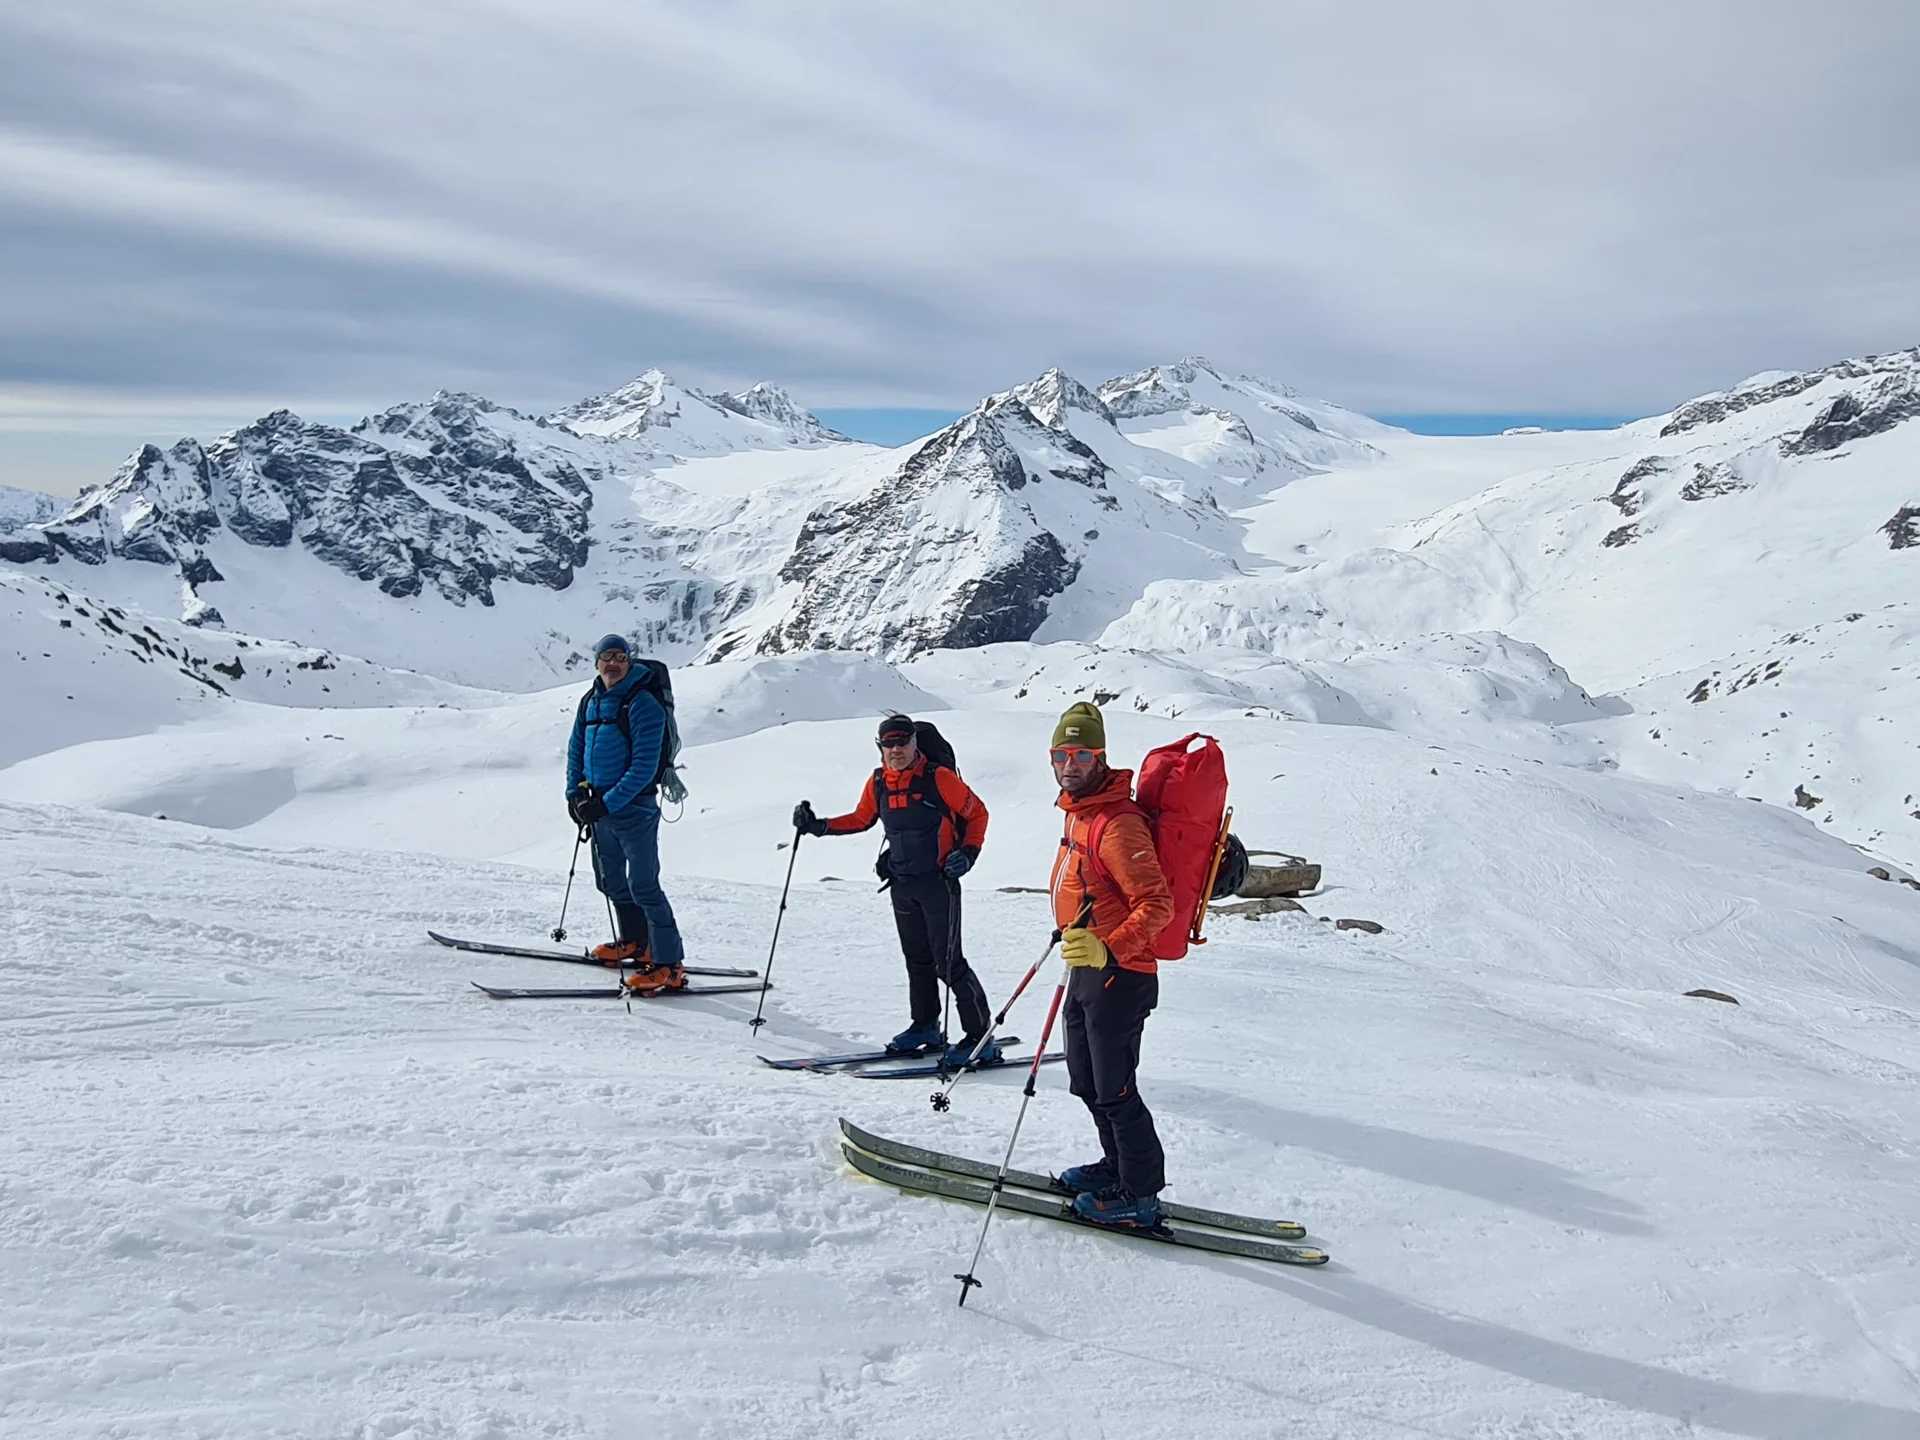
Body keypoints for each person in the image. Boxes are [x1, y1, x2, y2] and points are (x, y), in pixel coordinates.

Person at [792, 714, 995, 1068]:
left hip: (939, 883)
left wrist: (968, 853)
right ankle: (926, 1026)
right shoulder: (878, 783)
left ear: (915, 743)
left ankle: (981, 1039)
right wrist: (817, 826)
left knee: (949, 963)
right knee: (917, 960)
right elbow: (861, 819)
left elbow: (978, 814)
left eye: (903, 742)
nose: (896, 749)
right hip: (902, 884)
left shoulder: (939, 778)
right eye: (889, 744)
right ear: (880, 747)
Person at [1045, 701, 1175, 1229]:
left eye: (1081, 755)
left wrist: (1109, 949)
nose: (1069, 765)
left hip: (1122, 975)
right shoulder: (1079, 813)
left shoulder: (1117, 824)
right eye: (1061, 754)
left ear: (1099, 757)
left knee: (1116, 1089)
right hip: (1088, 969)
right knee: (1087, 1081)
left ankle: (1140, 1195)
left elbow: (1157, 905)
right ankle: (1114, 1167)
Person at [565, 633, 686, 993]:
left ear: (629, 661)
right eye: (607, 657)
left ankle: (669, 964)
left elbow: (644, 767)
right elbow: (576, 751)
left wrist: (607, 803)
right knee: (610, 881)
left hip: (635, 809)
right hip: (598, 809)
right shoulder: (590, 701)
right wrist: (575, 796)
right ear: (597, 662)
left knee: (644, 885)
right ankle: (636, 942)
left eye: (620, 657)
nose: (613, 663)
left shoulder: (643, 703)